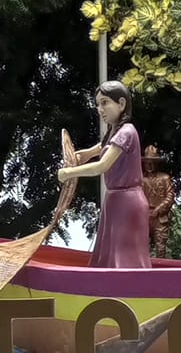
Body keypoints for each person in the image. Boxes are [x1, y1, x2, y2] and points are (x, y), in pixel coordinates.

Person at [58, 82, 152, 269]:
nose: (100, 109)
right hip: (115, 201)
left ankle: (129, 289)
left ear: (122, 104)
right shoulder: (114, 132)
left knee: (125, 257)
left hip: (127, 202)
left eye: (105, 103)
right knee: (109, 254)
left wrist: (69, 173)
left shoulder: (127, 131)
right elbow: (103, 147)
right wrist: (85, 154)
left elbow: (102, 166)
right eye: (97, 104)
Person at [142, 145, 176, 258]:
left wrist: (159, 209)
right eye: (147, 162)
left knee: (161, 247)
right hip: (143, 216)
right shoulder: (140, 179)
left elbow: (170, 196)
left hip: (160, 217)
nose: (150, 165)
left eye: (152, 162)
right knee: (142, 247)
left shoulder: (164, 178)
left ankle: (161, 270)